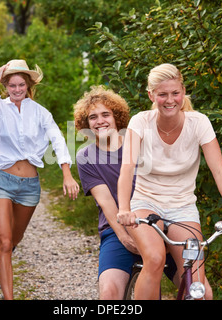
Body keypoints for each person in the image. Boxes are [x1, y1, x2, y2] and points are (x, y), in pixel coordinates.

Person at [116, 63, 222, 300]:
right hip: (146, 202)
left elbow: (218, 171)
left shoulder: (199, 123)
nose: (170, 100)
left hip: (183, 207)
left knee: (200, 288)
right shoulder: (140, 122)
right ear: (151, 95)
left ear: (183, 92)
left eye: (175, 93)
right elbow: (127, 169)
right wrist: (124, 209)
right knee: (155, 259)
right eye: (162, 94)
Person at [0, 59, 79, 299]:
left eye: (21, 85)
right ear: (6, 86)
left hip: (29, 187)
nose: (16, 90)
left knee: (15, 238)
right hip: (1, 182)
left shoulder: (40, 112)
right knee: (4, 242)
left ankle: (6, 253)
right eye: (11, 85)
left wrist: (67, 174)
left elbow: (58, 139)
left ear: (28, 86)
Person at [74, 86, 138, 299]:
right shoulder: (86, 157)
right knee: (109, 292)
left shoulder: (137, 143)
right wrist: (125, 239)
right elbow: (107, 203)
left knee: (194, 288)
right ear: (86, 124)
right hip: (115, 230)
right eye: (93, 117)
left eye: (105, 115)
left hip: (154, 225)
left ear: (116, 117)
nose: (100, 121)